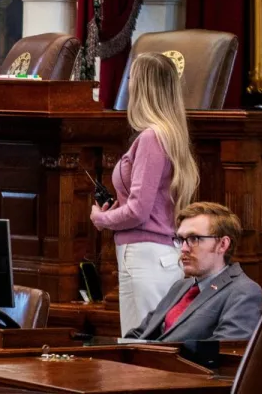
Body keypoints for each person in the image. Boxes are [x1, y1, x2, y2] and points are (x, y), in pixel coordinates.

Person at [90, 52, 200, 335]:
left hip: (146, 258)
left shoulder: (151, 138)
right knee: (147, 346)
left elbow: (139, 211)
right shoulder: (170, 134)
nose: (128, 84)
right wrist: (117, 208)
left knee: (141, 349)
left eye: (132, 78)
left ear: (143, 87)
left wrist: (102, 219)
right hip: (156, 257)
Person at [125, 201, 262, 341]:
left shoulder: (244, 291)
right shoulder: (180, 286)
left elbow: (224, 349)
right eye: (181, 239)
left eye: (194, 239)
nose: (183, 248)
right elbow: (140, 334)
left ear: (222, 244)